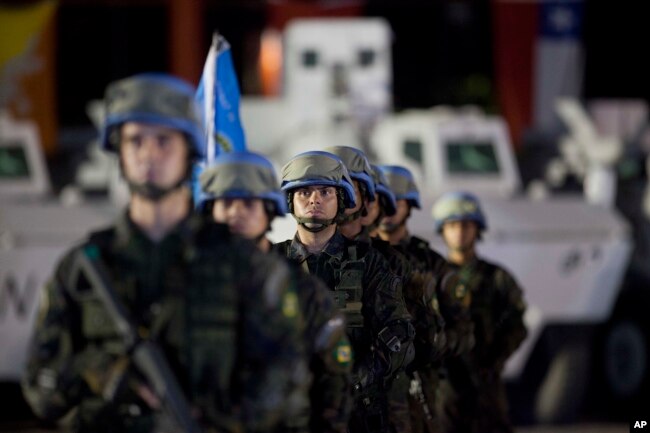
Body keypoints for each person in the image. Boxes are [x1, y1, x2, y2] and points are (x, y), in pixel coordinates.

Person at [21, 73, 308, 433]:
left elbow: (286, 379)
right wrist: (104, 373)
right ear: (119, 153)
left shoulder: (245, 265)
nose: (148, 154)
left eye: (163, 141)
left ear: (188, 150)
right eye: (135, 141)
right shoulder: (84, 266)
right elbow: (41, 388)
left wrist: (216, 418)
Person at [198, 151, 353, 433]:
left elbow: (334, 385)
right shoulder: (188, 286)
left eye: (248, 203)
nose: (236, 213)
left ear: (268, 210)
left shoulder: (303, 289)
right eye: (227, 202)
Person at [274, 150, 414, 433]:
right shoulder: (270, 264)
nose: (314, 200)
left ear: (341, 201)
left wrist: (356, 380)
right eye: (304, 193)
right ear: (290, 201)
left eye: (325, 192)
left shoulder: (369, 261)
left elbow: (399, 334)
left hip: (355, 414)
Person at [377, 166, 474, 433]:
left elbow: (464, 331)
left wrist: (432, 345)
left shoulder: (431, 263)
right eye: (382, 200)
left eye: (396, 201)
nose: (388, 208)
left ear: (410, 206)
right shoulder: (362, 260)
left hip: (420, 390)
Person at [432, 191, 527, 433]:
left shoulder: (497, 278)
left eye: (466, 225)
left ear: (477, 229)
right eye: (452, 225)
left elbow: (517, 324)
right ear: (442, 230)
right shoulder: (431, 278)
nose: (460, 232)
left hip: (486, 387)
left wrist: (495, 359)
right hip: (445, 388)